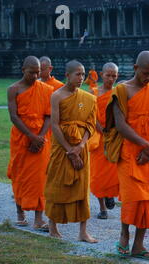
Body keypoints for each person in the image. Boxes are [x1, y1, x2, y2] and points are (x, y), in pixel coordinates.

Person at [108, 51, 149, 260]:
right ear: (135, 68)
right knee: (132, 198)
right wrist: (145, 145)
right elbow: (120, 124)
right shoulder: (122, 90)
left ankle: (139, 244)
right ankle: (124, 236)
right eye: (146, 73)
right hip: (130, 152)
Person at [45, 60, 98, 242]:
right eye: (77, 74)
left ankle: (83, 232)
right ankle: (52, 226)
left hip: (81, 148)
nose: (81, 78)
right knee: (57, 184)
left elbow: (90, 125)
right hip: (62, 149)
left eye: (83, 74)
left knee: (82, 188)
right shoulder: (57, 96)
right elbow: (55, 124)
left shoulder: (89, 98)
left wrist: (81, 146)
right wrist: (70, 150)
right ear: (67, 75)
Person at [7, 56, 53, 232]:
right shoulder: (13, 89)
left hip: (41, 137)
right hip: (21, 137)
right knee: (19, 174)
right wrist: (30, 136)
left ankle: (39, 218)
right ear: (23, 70)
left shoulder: (45, 89)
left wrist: (39, 137)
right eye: (31, 72)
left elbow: (49, 115)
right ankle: (20, 213)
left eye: (37, 72)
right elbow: (14, 116)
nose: (35, 76)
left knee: (41, 177)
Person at [89, 62, 120, 219]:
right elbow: (91, 115)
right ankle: (102, 208)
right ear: (101, 75)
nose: (111, 78)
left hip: (114, 137)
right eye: (108, 75)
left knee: (114, 171)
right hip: (99, 138)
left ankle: (110, 194)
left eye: (114, 76)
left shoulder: (118, 92)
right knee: (98, 174)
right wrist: (101, 129)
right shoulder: (94, 92)